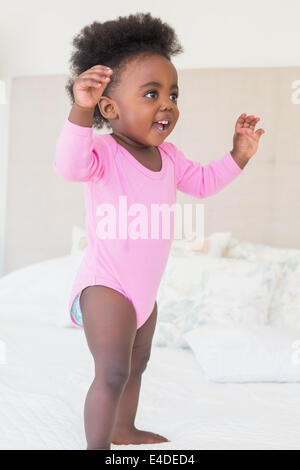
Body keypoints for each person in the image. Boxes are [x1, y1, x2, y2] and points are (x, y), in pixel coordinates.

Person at [53, 12, 265, 450]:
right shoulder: (102, 152)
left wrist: (238, 155)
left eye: (172, 94)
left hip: (144, 292)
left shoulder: (168, 158)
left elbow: (205, 182)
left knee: (137, 362)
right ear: (109, 108)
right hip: (107, 284)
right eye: (151, 93)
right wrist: (80, 108)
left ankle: (122, 428)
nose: (166, 104)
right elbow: (67, 167)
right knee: (111, 371)